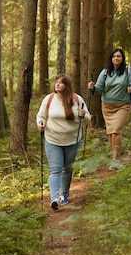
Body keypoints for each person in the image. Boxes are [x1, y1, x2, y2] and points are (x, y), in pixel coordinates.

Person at [36, 74, 91, 211]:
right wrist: (40, 124)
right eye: (56, 82)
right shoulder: (49, 99)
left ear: (67, 85)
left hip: (73, 140)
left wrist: (84, 115)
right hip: (52, 139)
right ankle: (54, 198)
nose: (58, 84)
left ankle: (64, 195)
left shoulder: (77, 99)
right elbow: (41, 116)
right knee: (55, 170)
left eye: (61, 83)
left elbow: (88, 118)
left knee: (67, 169)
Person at [88, 48, 131, 169]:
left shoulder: (128, 70)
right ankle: (113, 157)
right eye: (114, 56)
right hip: (107, 106)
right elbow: (99, 88)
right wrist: (92, 88)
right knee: (111, 133)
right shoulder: (106, 71)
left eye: (119, 56)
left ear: (122, 58)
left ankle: (115, 159)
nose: (116, 58)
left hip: (123, 105)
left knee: (116, 130)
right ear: (111, 58)